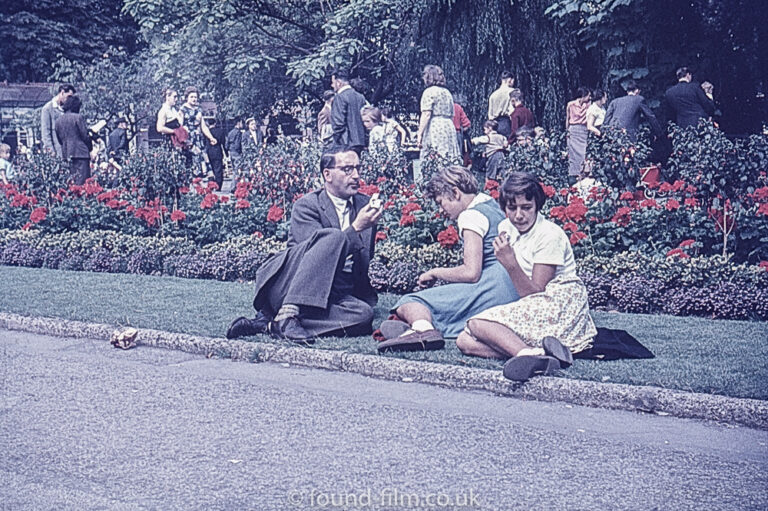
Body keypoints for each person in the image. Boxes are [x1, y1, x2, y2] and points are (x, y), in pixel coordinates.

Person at [226, 146, 382, 342]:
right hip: (290, 284)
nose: (356, 175)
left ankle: (271, 324)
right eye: (347, 169)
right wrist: (356, 227)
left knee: (363, 316)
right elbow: (316, 257)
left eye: (358, 168)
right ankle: (288, 312)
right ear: (328, 174)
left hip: (334, 289)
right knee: (334, 237)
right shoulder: (307, 205)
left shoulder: (364, 206)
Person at [456, 172, 597, 381]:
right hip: (533, 302)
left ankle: (527, 354)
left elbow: (536, 293)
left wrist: (510, 262)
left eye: (526, 207)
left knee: (478, 324)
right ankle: (536, 356)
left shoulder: (550, 234)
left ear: (537, 206)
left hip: (558, 301)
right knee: (463, 341)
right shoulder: (506, 228)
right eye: (512, 208)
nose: (519, 215)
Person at [377, 165, 520, 352]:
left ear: (455, 192)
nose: (441, 209)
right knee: (445, 299)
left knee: (410, 300)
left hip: (493, 288)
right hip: (513, 284)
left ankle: (422, 330)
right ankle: (416, 328)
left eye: (441, 202)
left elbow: (471, 272)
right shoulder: (491, 205)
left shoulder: (470, 216)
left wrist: (435, 272)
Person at [417, 64, 461, 161]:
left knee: (435, 155)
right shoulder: (447, 93)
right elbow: (452, 114)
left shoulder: (429, 92)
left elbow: (426, 114)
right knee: (449, 156)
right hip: (448, 126)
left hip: (435, 127)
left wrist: (420, 133)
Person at [55, 95, 92, 185]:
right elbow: (85, 136)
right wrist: (90, 146)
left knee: (72, 181)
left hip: (66, 153)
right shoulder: (77, 117)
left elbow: (59, 139)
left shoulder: (58, 120)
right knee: (83, 181)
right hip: (81, 153)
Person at [179, 86, 217, 175]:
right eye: (191, 97)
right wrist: (184, 140)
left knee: (201, 162)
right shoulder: (183, 110)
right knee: (190, 164)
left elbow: (203, 126)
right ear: (187, 97)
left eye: (195, 97)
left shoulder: (199, 110)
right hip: (188, 140)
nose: (194, 99)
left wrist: (211, 137)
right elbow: (179, 126)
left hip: (198, 140)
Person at [330, 70, 367, 154]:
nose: (332, 85)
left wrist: (335, 141)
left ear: (338, 83)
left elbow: (338, 123)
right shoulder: (360, 97)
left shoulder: (340, 97)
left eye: (333, 82)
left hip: (345, 143)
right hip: (360, 142)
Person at [40, 84, 75, 158]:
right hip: (56, 152)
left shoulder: (69, 109)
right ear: (62, 93)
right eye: (68, 96)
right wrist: (51, 152)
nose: (70, 99)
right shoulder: (47, 109)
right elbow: (46, 133)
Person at [566, 87, 591, 183]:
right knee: (573, 155)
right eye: (588, 95)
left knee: (584, 154)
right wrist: (567, 131)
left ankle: (584, 176)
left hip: (583, 130)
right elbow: (568, 118)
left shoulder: (588, 105)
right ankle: (573, 178)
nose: (589, 97)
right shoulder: (570, 104)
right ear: (583, 96)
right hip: (573, 130)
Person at [488, 71, 515, 138]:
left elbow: (490, 115)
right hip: (507, 123)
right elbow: (512, 110)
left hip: (494, 125)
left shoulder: (493, 95)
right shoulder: (512, 92)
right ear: (510, 80)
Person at [205, 118, 227, 190]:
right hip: (218, 151)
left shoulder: (206, 132)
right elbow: (223, 143)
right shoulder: (220, 131)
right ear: (215, 123)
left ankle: (211, 185)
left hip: (209, 152)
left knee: (210, 169)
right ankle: (218, 186)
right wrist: (226, 153)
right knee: (218, 169)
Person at [452, 94, 472, 166]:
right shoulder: (457, 107)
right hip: (457, 134)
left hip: (443, 134)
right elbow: (467, 125)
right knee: (457, 156)